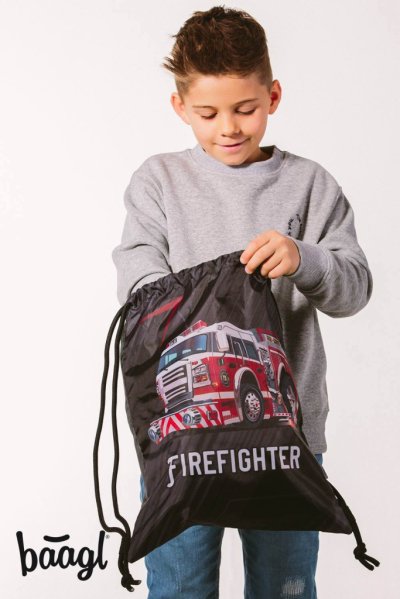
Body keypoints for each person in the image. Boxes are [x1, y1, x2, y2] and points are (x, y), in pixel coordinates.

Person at [111, 6, 373, 599]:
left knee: (285, 587)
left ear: (273, 96)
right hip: (182, 442)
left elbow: (355, 288)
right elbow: (136, 277)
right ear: (180, 106)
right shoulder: (158, 181)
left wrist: (303, 258)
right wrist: (199, 292)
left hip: (285, 436)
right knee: (179, 587)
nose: (228, 127)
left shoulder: (310, 184)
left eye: (245, 109)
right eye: (208, 113)